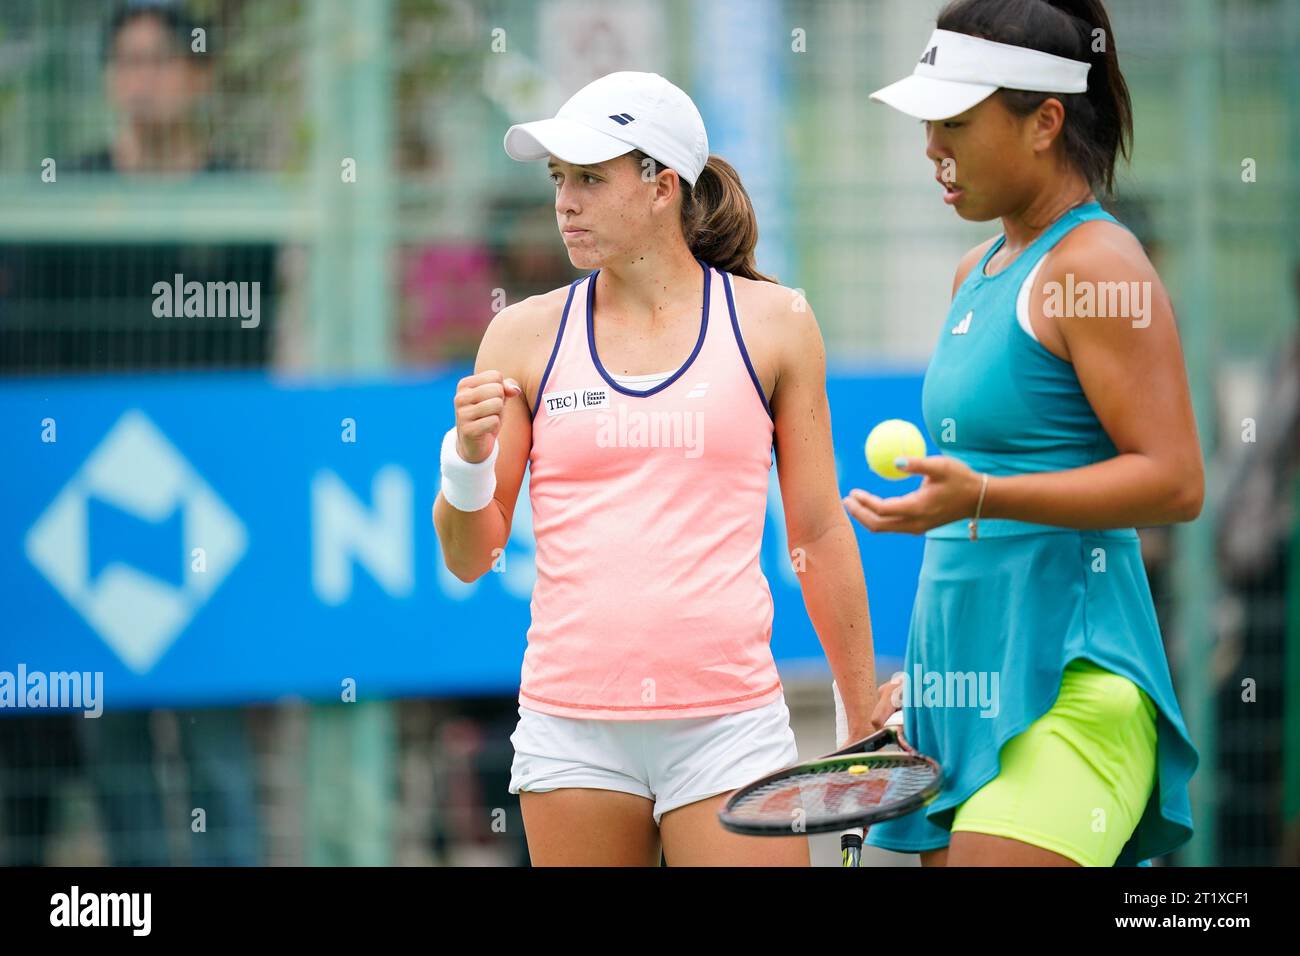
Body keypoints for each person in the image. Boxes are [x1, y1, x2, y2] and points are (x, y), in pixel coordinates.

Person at [433, 71, 876, 866]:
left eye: (591, 179)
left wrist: (858, 711)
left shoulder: (777, 324)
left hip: (731, 730)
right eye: (558, 179)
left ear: (661, 186)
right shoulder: (520, 338)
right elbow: (469, 557)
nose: (565, 201)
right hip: (572, 733)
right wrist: (464, 464)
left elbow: (816, 529)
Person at [845, 0, 1202, 867]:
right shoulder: (981, 268)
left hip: (1074, 691)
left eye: (957, 123)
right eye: (930, 123)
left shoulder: (1098, 267)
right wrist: (927, 679)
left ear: (1044, 121)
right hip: (965, 695)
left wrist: (982, 495)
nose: (933, 147)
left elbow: (1175, 481)